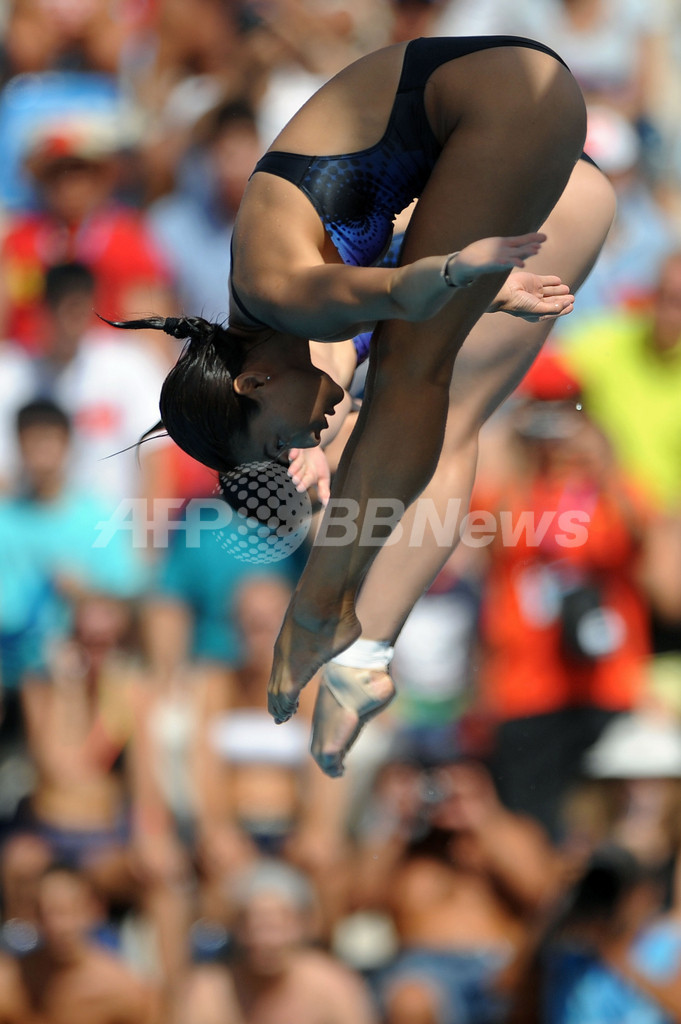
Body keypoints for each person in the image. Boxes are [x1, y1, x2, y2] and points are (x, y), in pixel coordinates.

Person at [108, 36, 615, 774]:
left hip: (513, 111)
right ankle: (358, 650)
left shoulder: (283, 293)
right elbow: (343, 346)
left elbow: (389, 293)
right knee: (423, 395)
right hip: (526, 138)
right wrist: (457, 286)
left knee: (419, 383)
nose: (297, 442)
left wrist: (457, 274)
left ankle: (327, 620)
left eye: (278, 441)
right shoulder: (273, 321)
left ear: (253, 385)